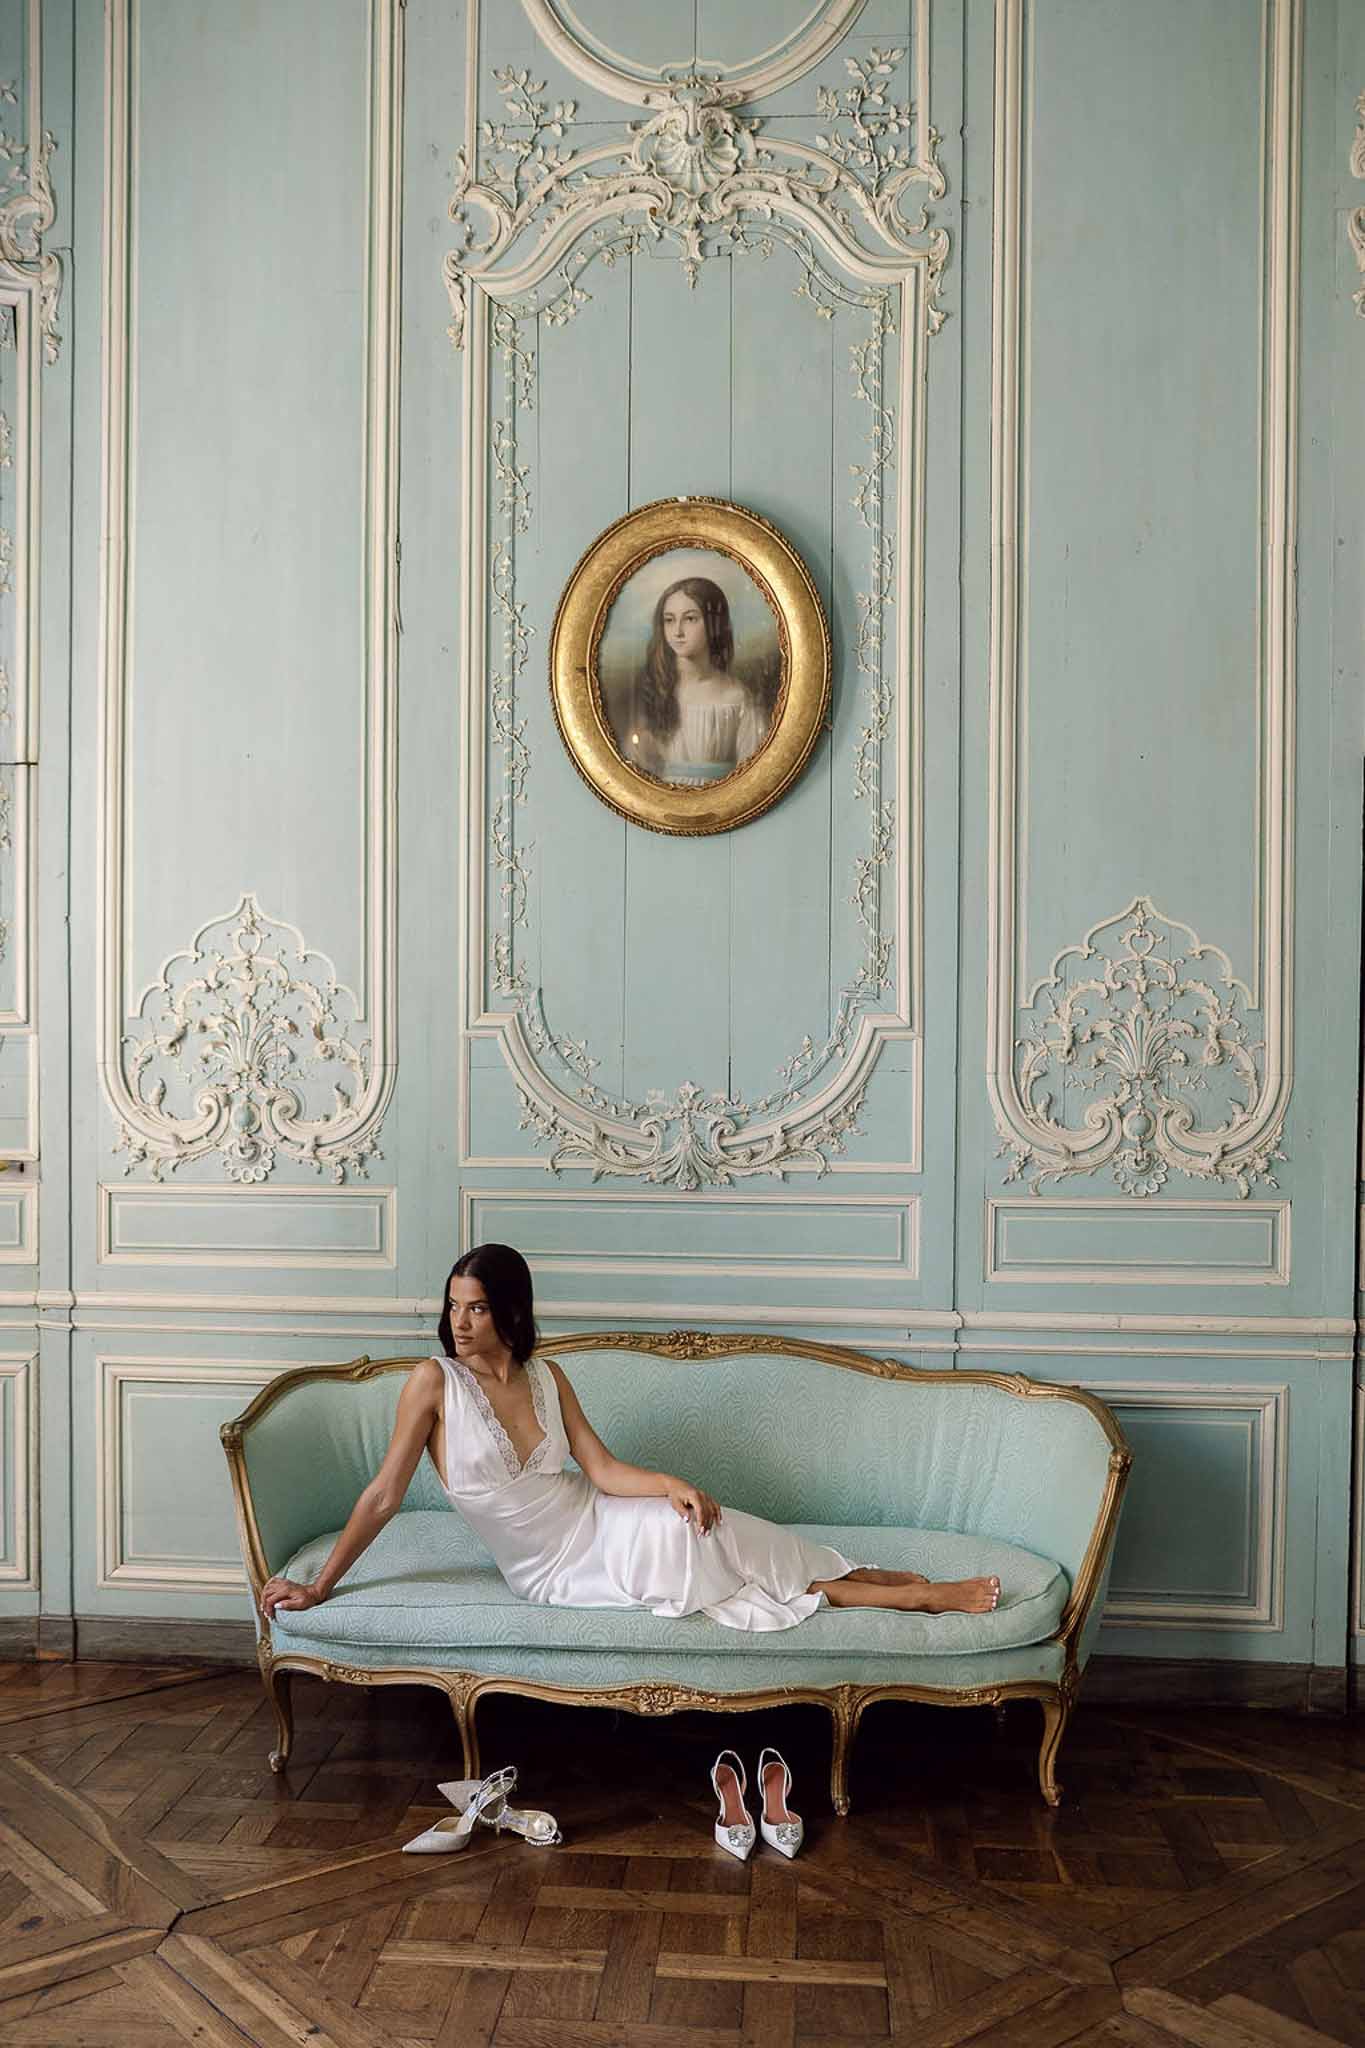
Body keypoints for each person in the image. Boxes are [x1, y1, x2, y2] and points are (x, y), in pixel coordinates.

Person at [259, 1244, 1001, 1630]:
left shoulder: (546, 1377)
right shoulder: (433, 1383)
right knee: (692, 1550)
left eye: (478, 1308)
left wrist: (672, 1484)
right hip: (554, 1566)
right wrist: (322, 1585)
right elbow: (386, 1493)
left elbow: (603, 1470)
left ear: (509, 1312)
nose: (459, 1322)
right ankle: (914, 1600)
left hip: (597, 1517)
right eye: (454, 1306)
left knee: (703, 1520)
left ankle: (866, 1581)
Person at [623, 576, 770, 785]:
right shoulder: (654, 690)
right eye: (669, 620)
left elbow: (755, 772)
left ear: (713, 623)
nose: (678, 632)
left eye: (690, 618)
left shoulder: (736, 695)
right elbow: (635, 763)